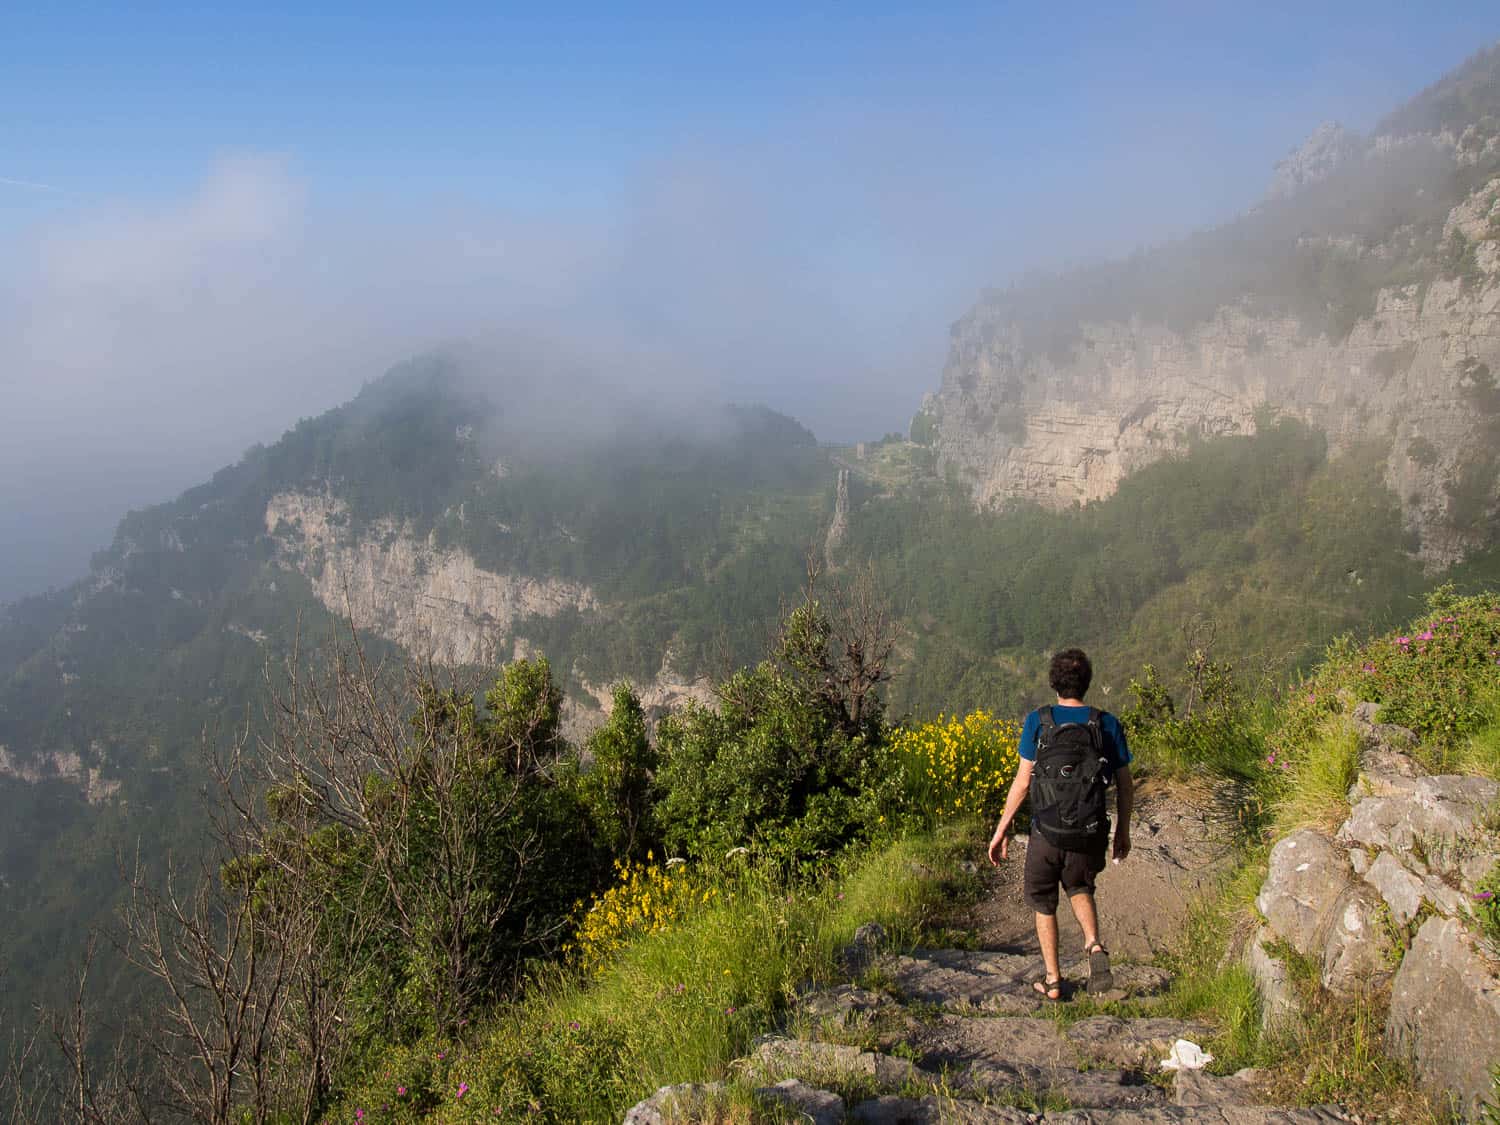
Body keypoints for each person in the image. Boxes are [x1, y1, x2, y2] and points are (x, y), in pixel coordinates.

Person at [986, 648, 1133, 1001]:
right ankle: (1094, 946)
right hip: (1089, 831)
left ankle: (1053, 981)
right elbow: (1125, 784)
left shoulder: (1040, 721)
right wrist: (1122, 831)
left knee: (1042, 900)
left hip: (1046, 832)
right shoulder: (1106, 723)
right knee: (1080, 885)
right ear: (1086, 682)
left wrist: (1002, 828)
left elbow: (1022, 783)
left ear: (1054, 682)